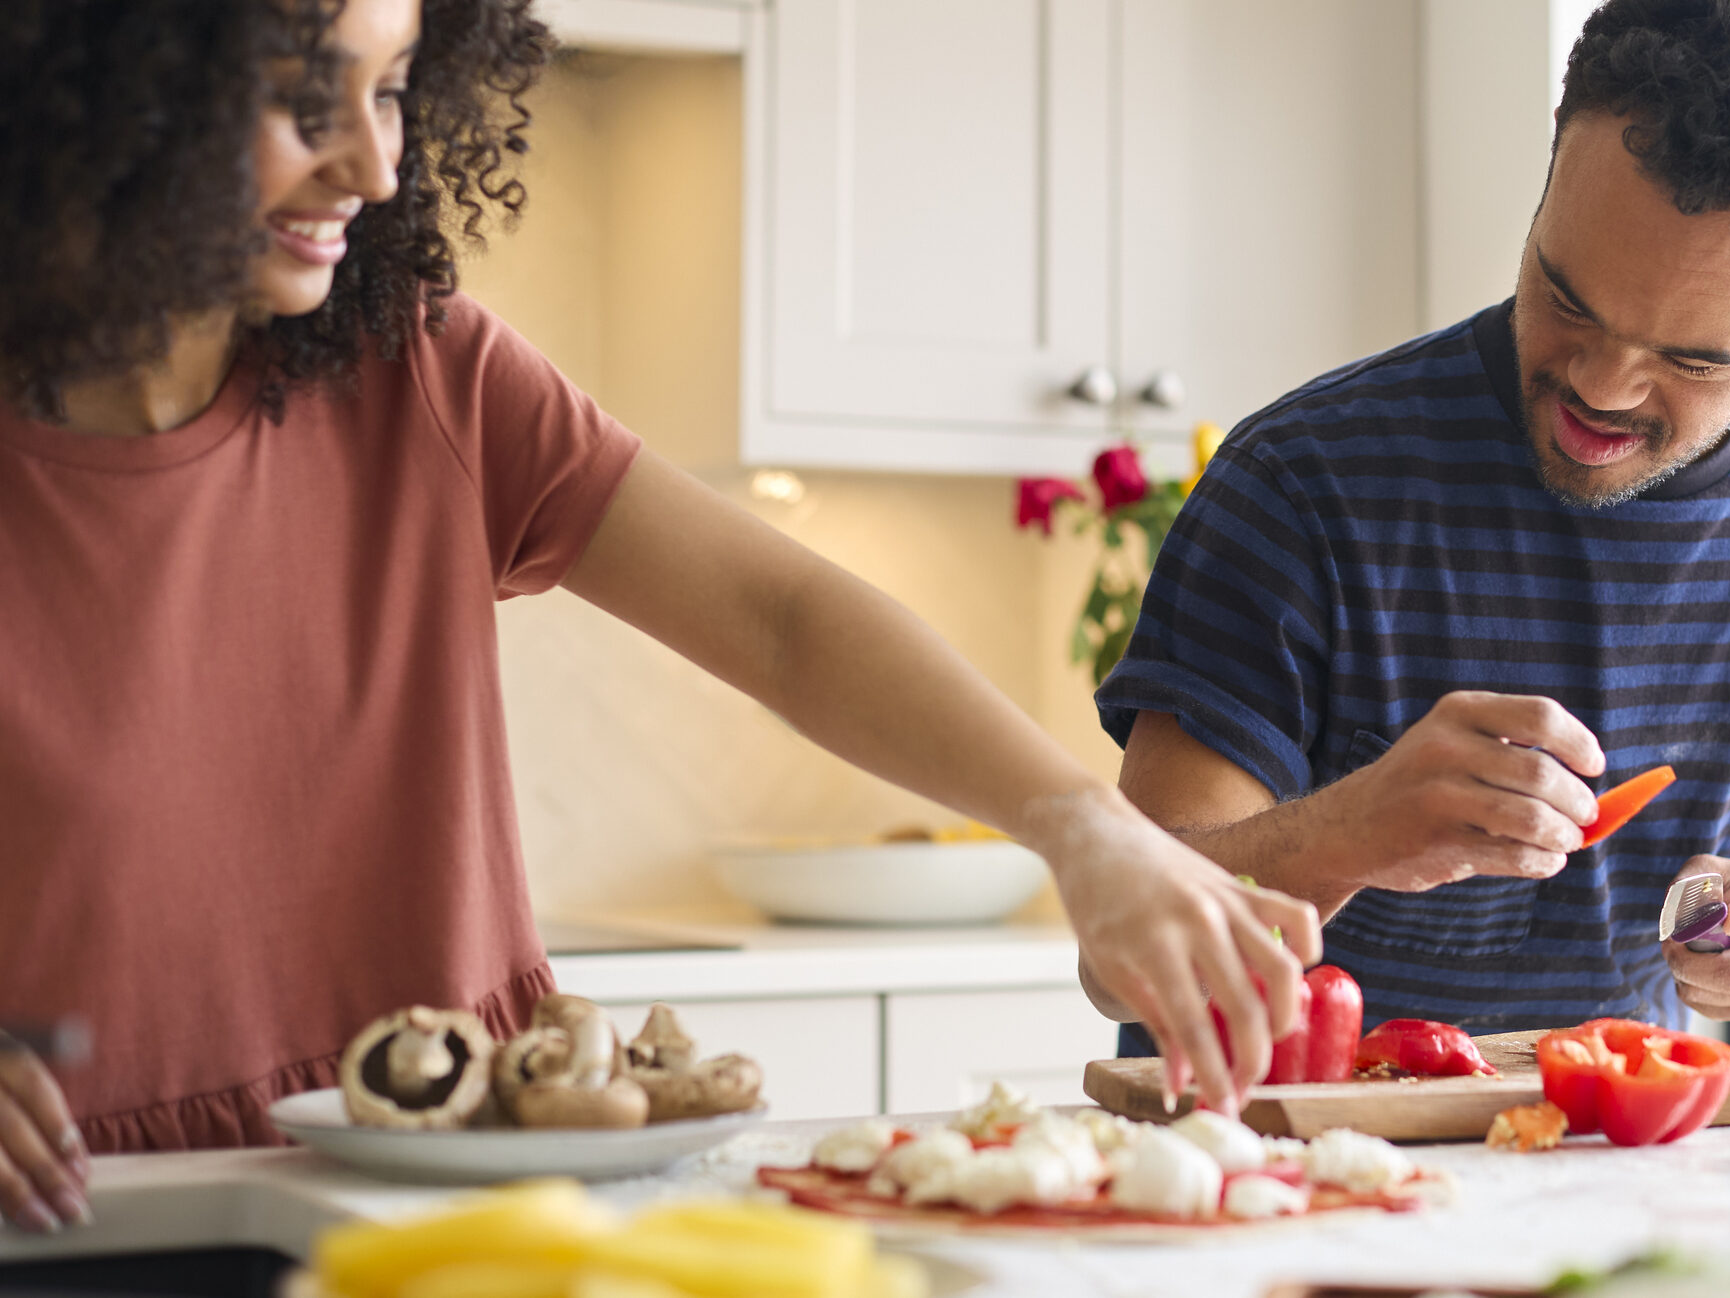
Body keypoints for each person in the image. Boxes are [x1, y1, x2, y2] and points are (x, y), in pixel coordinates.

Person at [0, 0, 1319, 1233]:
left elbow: (782, 612)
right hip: (91, 1219)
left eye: (395, 91)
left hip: (472, 1197)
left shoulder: (423, 366)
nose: (374, 164)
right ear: (118, 81)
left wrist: (1082, 827)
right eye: (303, 96)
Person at [1087, 0, 1730, 1057]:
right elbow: (1114, 955)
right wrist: (1357, 827)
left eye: (1693, 358)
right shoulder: (1302, 485)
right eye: (1566, 297)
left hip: (1616, 1158)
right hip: (1275, 1167)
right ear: (1548, 175)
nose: (1599, 386)